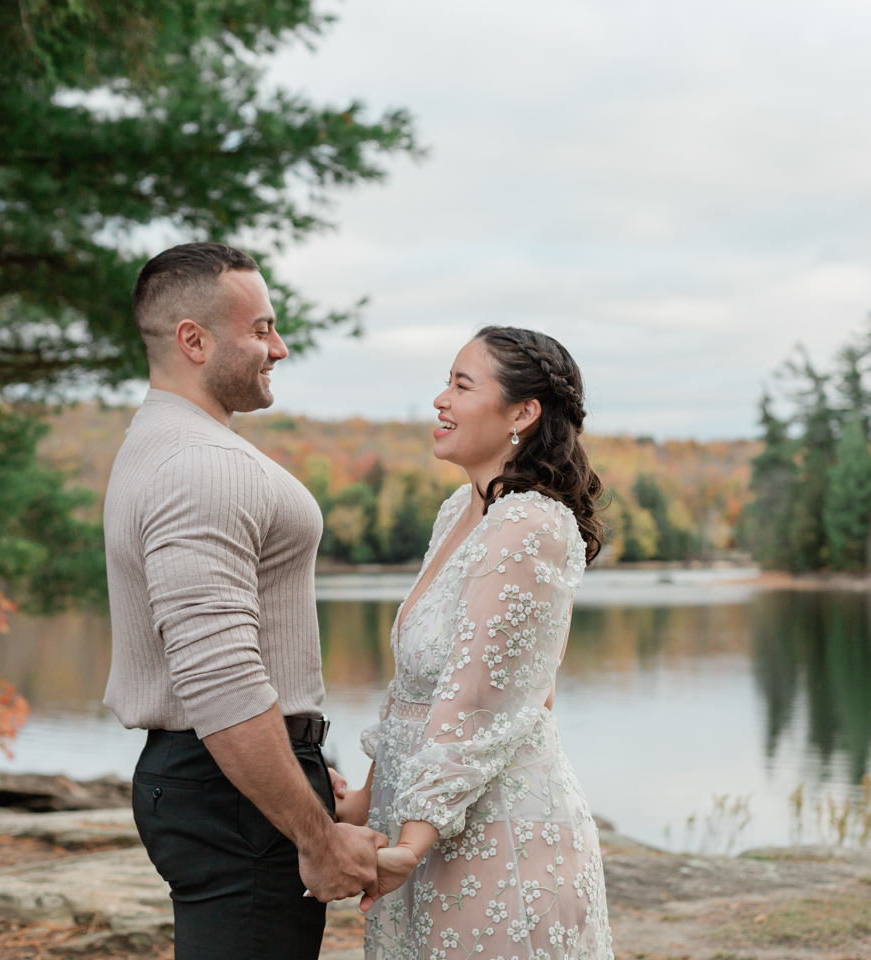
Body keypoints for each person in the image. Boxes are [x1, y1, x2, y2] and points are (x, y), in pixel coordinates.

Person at [102, 242, 387, 960]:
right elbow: (221, 679)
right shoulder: (201, 465)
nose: (280, 347)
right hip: (230, 792)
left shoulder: (165, 442)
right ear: (193, 341)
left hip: (228, 784)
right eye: (260, 329)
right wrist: (315, 837)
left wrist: (304, 769)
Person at [334, 327, 615, 960]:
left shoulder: (530, 521)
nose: (440, 400)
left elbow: (475, 704)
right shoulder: (459, 510)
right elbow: (416, 691)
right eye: (446, 382)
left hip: (498, 837)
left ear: (523, 412)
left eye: (461, 385)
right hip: (424, 834)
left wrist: (409, 842)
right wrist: (365, 799)